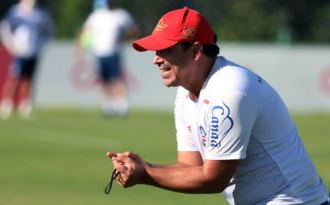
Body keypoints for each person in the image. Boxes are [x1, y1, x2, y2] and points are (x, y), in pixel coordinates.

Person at [107, 7, 329, 205]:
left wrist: (145, 175)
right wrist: (146, 166)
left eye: (165, 49)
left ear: (195, 52)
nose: (156, 59)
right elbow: (189, 166)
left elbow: (213, 179)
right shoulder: (186, 92)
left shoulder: (229, 91)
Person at [76, 0, 138, 117]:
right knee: (104, 80)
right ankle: (108, 104)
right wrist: (79, 46)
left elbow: (133, 28)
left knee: (117, 78)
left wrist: (126, 38)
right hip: (99, 53)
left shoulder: (121, 15)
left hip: (114, 52)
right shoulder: (96, 15)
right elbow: (86, 30)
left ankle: (121, 105)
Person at [0, 0, 54, 119]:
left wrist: (41, 44)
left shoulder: (41, 13)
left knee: (29, 79)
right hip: (19, 52)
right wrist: (10, 44)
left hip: (33, 52)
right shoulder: (15, 11)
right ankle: (7, 103)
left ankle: (25, 105)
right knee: (14, 77)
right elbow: (4, 27)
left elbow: (49, 31)